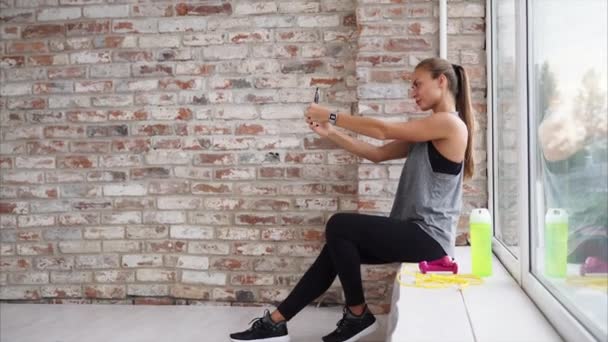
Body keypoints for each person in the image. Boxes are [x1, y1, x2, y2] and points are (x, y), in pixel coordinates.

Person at [229, 57, 475, 342]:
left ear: (441, 81)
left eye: (417, 84)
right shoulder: (430, 129)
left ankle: (357, 314)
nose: (413, 91)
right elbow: (377, 153)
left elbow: (383, 130)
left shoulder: (449, 124)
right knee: (336, 247)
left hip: (430, 239)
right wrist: (332, 132)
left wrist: (330, 114)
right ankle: (276, 322)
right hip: (416, 234)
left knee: (340, 225)